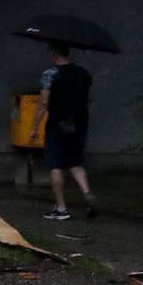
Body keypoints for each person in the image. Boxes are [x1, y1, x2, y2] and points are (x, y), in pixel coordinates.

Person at [39, 42, 96, 220]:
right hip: (79, 124)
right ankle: (88, 194)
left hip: (57, 124)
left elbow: (43, 103)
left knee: (56, 165)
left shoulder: (50, 75)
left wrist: (34, 127)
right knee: (75, 163)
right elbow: (89, 99)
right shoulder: (83, 74)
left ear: (54, 54)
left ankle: (61, 209)